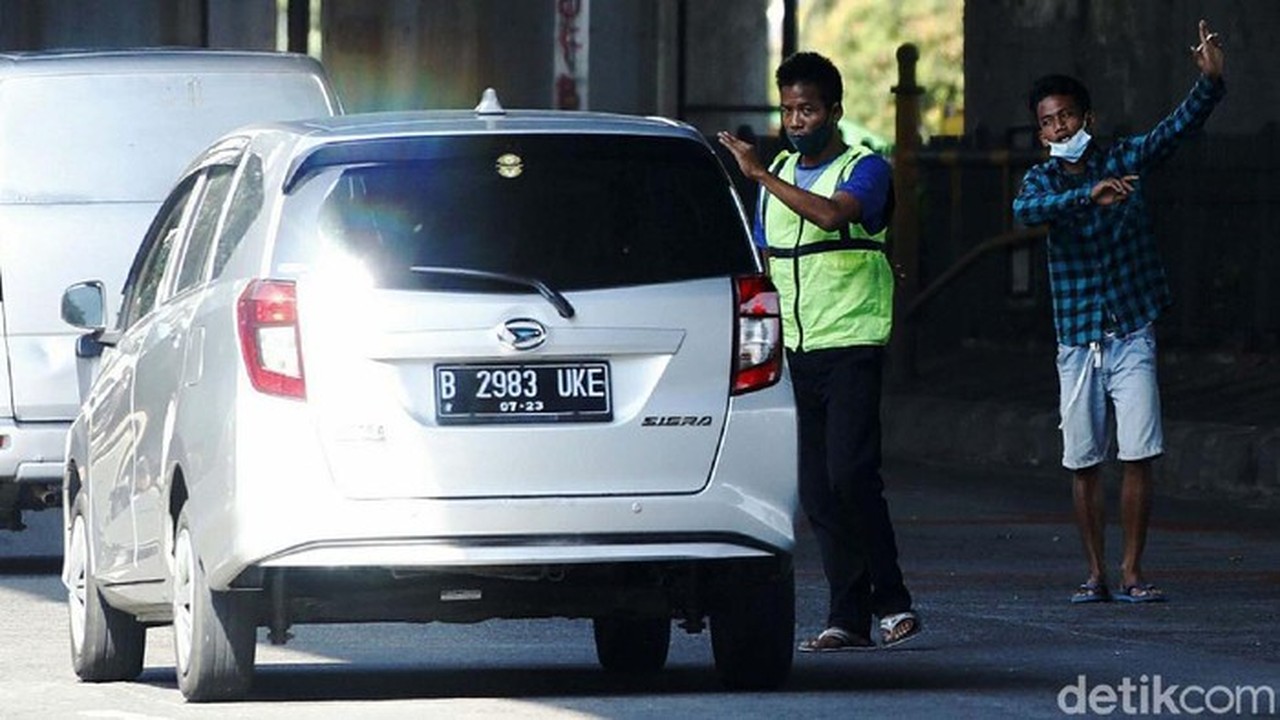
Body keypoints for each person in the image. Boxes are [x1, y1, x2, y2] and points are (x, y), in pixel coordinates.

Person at [1012, 19, 1225, 605]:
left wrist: (1207, 83)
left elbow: (1173, 132)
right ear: (1042, 133)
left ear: (1089, 119)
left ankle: (1132, 571)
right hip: (1077, 338)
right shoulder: (1041, 179)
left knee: (1138, 452)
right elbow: (1025, 211)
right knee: (1083, 459)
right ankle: (1095, 572)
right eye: (1049, 122)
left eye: (1067, 117)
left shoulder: (1126, 156)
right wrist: (1088, 195)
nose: (1060, 128)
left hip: (1130, 328)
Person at [718, 51, 920, 651]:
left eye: (807, 109)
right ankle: (846, 617)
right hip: (794, 353)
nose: (796, 120)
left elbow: (833, 218)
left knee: (853, 475)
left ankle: (893, 600)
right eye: (788, 109)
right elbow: (761, 262)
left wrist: (759, 176)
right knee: (816, 493)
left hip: (851, 341)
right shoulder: (777, 172)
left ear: (835, 111)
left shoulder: (865, 169)